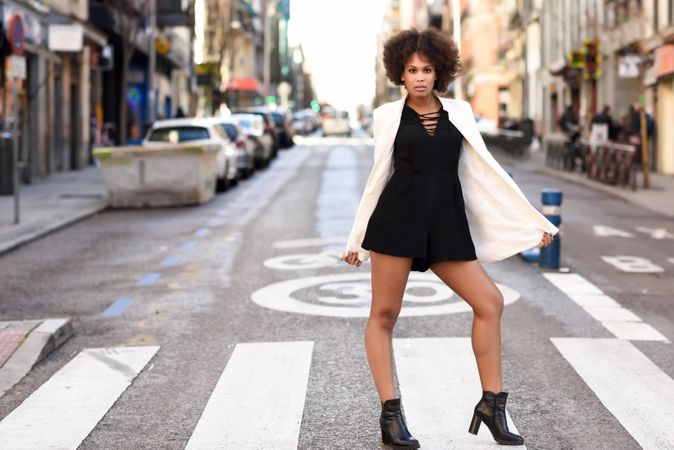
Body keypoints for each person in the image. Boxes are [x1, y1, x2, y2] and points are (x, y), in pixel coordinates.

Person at [341, 27, 556, 449]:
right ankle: (391, 415)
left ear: (439, 71)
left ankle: (491, 405)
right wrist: (357, 238)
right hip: (397, 220)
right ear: (399, 74)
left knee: (489, 302)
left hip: (445, 223)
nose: (419, 77)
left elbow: (485, 173)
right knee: (384, 315)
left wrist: (532, 222)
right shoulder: (387, 116)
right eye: (411, 70)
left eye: (426, 69)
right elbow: (377, 178)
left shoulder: (459, 111)